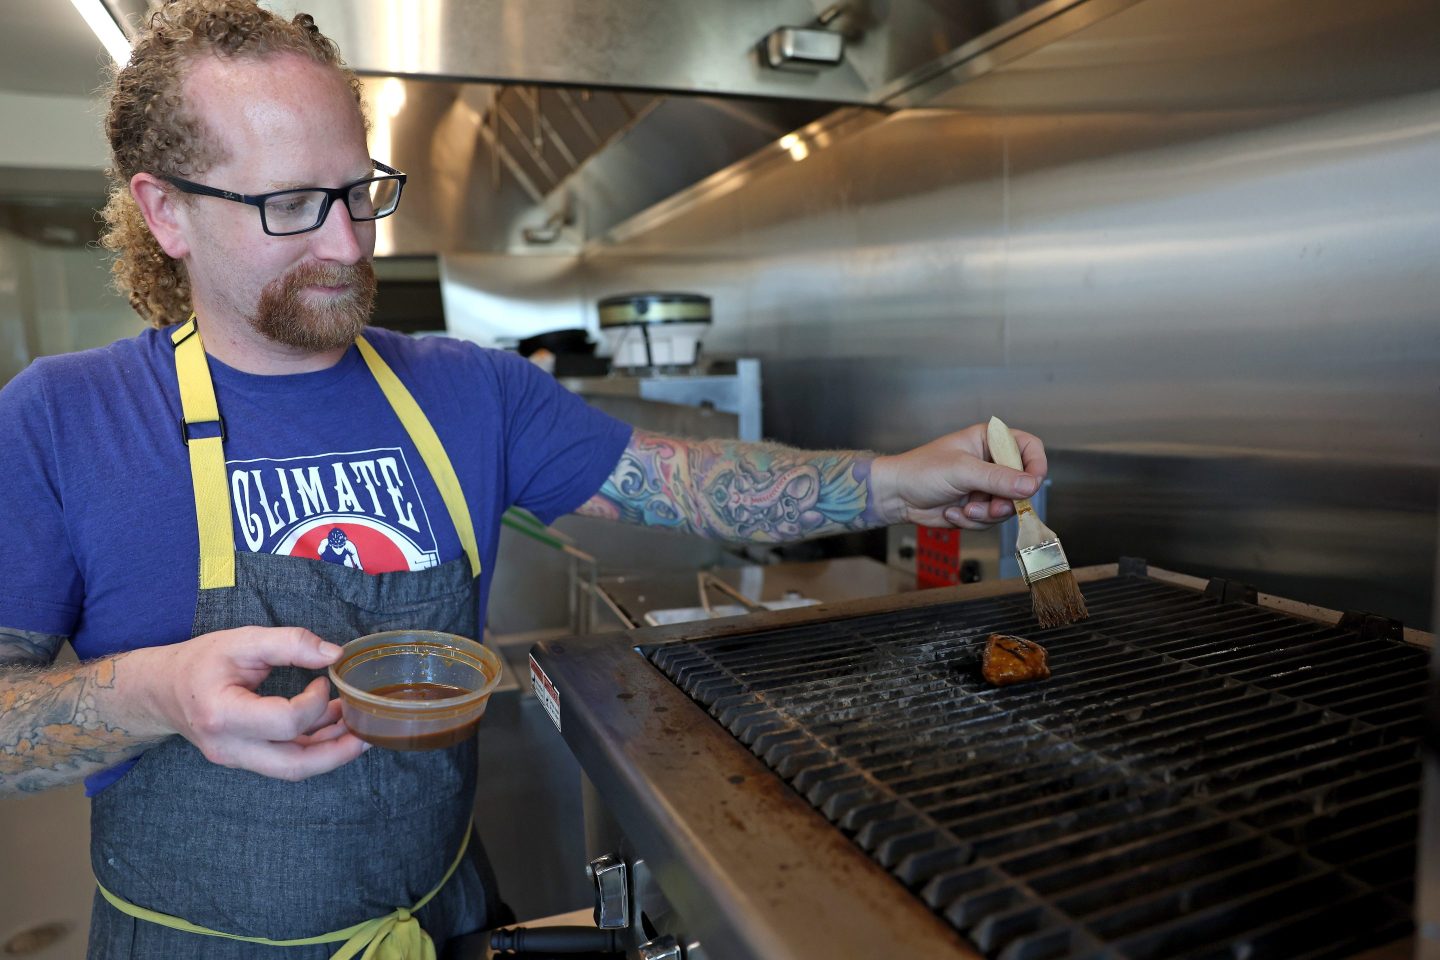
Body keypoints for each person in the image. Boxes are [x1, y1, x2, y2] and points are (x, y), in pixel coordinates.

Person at [0, 2, 1048, 957]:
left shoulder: (467, 391)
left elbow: (683, 484)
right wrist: (156, 692)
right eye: (288, 206)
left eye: (358, 191)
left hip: (449, 921)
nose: (348, 241)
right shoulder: (61, 419)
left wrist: (896, 482)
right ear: (167, 213)